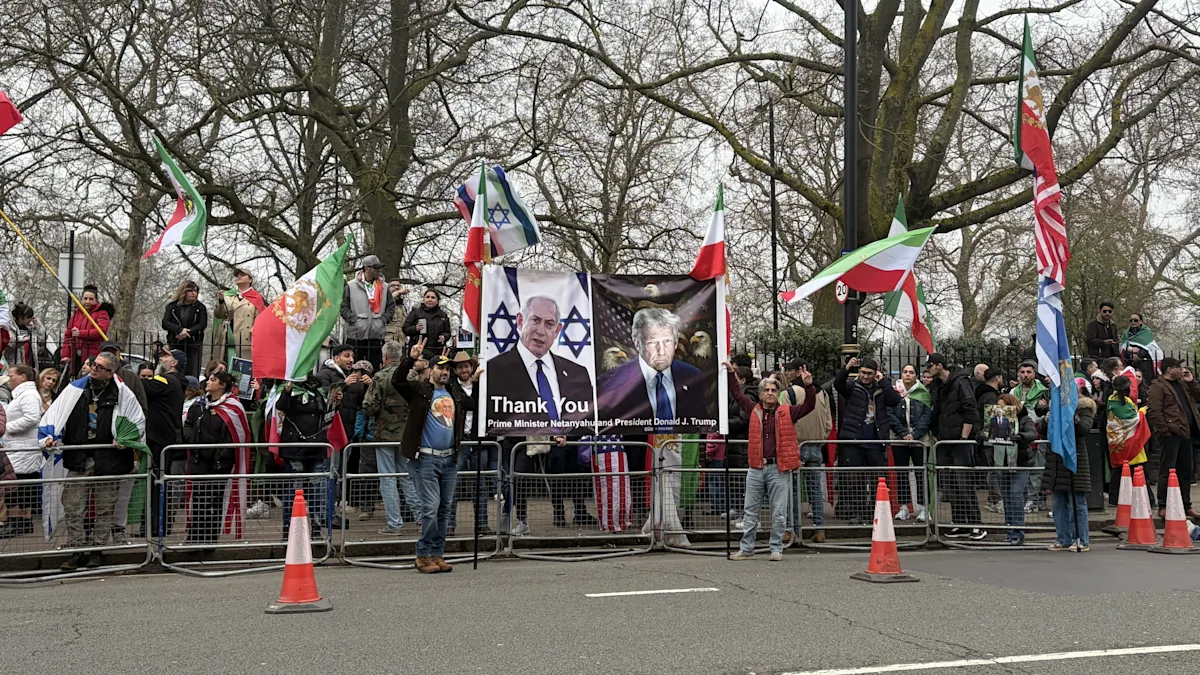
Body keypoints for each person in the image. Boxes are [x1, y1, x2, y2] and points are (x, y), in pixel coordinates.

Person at [43, 351, 145, 570]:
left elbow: (136, 421)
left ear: (111, 372)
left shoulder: (122, 394)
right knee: (72, 505)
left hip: (109, 460)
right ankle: (77, 549)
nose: (93, 369)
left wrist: (125, 439)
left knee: (104, 508)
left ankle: (96, 551)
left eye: (99, 367)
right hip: (80, 457)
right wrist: (50, 436)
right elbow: (58, 414)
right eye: (93, 364)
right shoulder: (75, 390)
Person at [390, 337, 480, 574]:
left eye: (447, 368)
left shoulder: (454, 393)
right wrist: (410, 359)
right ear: (431, 370)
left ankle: (437, 554)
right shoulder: (419, 390)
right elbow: (397, 380)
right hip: (426, 459)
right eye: (440, 368)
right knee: (431, 507)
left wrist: (477, 381)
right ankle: (423, 555)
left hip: (449, 458)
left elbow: (474, 403)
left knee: (444, 509)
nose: (444, 372)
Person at [724, 360, 816, 561]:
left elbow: (809, 406)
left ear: (778, 393)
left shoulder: (788, 412)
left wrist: (809, 386)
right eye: (766, 390)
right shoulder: (753, 409)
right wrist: (731, 373)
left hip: (778, 468)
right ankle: (746, 548)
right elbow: (737, 394)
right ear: (760, 394)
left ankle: (776, 548)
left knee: (779, 512)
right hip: (756, 467)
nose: (770, 393)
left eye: (774, 390)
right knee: (750, 511)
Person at [484, 295, 594, 428]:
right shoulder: (492, 371)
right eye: (535, 320)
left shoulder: (578, 373)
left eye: (549, 324)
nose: (541, 331)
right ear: (520, 321)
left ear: (557, 330)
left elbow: (587, 425)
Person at [595, 307, 707, 426]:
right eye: (652, 343)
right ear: (637, 344)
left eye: (667, 341)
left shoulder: (693, 376)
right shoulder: (610, 384)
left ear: (675, 343)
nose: (661, 351)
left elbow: (702, 424)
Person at [363, 340, 423, 535]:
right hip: (407, 434)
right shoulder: (412, 375)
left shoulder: (380, 377)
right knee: (407, 478)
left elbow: (369, 407)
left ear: (385, 357)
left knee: (388, 480)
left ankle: (394, 524)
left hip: (385, 435)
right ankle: (421, 519)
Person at [182, 371, 249, 544]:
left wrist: (221, 455)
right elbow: (188, 424)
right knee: (198, 500)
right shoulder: (199, 405)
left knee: (213, 501)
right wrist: (191, 440)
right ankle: (194, 538)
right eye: (209, 379)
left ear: (222, 385)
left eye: (213, 380)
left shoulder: (233, 407)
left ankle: (210, 540)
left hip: (218, 463)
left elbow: (236, 435)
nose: (208, 382)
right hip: (198, 460)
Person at [832, 357, 901, 524]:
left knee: (877, 479)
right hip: (854, 440)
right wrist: (847, 368)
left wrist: (883, 382)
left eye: (869, 373)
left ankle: (874, 513)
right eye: (863, 372)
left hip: (875, 441)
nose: (865, 376)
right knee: (855, 481)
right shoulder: (852, 387)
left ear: (875, 374)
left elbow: (895, 400)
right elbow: (838, 384)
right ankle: (857, 512)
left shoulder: (881, 390)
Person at [925, 353, 985, 540]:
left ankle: (976, 524)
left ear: (939, 366)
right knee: (951, 485)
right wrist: (936, 433)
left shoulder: (962, 382)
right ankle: (959, 522)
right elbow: (936, 411)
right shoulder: (938, 386)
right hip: (944, 441)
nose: (927, 370)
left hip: (960, 442)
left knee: (964, 483)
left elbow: (970, 409)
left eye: (930, 366)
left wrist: (964, 437)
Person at [274, 377, 334, 538]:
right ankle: (289, 529)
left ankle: (316, 528)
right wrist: (288, 389)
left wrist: (335, 401)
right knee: (294, 489)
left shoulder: (317, 390)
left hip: (316, 447)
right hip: (295, 448)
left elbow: (327, 415)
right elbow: (280, 406)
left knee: (317, 490)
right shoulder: (288, 388)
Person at [1041, 384, 1095, 551]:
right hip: (1056, 460)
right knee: (1059, 504)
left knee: (1077, 503)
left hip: (1074, 459)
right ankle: (1063, 538)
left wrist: (1071, 416)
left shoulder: (1084, 408)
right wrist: (1046, 420)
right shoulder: (1054, 407)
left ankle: (1081, 539)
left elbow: (1084, 428)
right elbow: (1043, 430)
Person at [1147, 357, 1200, 518]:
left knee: (1186, 471)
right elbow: (1154, 411)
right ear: (1170, 369)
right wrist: (1165, 431)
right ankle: (1163, 505)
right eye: (1178, 367)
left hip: (1186, 433)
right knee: (1167, 470)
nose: (1182, 370)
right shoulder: (1158, 386)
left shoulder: (1182, 384)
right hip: (1171, 434)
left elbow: (1198, 397)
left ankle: (1186, 504)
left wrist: (1191, 382)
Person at [142, 349, 187, 536]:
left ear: (174, 363)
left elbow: (142, 386)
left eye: (166, 356)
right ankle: (154, 525)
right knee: (158, 482)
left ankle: (155, 526)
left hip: (160, 439)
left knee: (157, 483)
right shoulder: (174, 381)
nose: (162, 358)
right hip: (163, 437)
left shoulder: (166, 380)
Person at [985, 393, 1036, 545]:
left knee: (1015, 494)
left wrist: (1021, 437)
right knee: (1007, 497)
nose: (1000, 408)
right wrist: (982, 436)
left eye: (1004, 405)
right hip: (1001, 462)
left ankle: (1018, 531)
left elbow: (1032, 433)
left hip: (1020, 463)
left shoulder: (1024, 419)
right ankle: (1010, 530)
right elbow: (986, 431)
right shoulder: (994, 419)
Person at [1, 365, 43, 537]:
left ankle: (21, 521)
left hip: (24, 449)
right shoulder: (22, 395)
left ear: (23, 377)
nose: (9, 379)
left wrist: (7, 428)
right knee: (17, 485)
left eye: (11, 375)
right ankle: (18, 521)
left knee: (20, 485)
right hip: (17, 448)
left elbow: (32, 418)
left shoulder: (29, 395)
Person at [888, 364, 932, 522]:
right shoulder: (894, 393)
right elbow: (889, 414)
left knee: (921, 473)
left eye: (911, 372)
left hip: (920, 440)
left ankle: (924, 508)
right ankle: (904, 507)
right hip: (899, 439)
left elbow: (927, 415)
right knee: (901, 473)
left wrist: (914, 434)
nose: (908, 374)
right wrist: (903, 433)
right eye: (905, 372)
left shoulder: (923, 393)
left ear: (916, 376)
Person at [1106, 374, 1153, 508]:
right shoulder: (1125, 402)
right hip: (1130, 441)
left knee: (1118, 470)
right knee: (1139, 470)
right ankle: (1148, 499)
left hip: (1116, 440)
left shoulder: (1111, 399)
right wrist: (1142, 411)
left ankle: (1114, 498)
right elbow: (1133, 419)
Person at [341, 254, 395, 369]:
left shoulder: (385, 287)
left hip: (376, 335)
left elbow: (391, 307)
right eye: (376, 268)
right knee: (354, 368)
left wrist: (383, 320)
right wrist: (355, 320)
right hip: (356, 335)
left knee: (374, 369)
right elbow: (343, 307)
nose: (379, 271)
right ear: (367, 268)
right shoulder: (351, 286)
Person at [213, 268, 265, 361]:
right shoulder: (227, 295)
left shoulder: (256, 297)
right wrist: (221, 301)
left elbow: (261, 318)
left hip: (246, 337)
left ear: (250, 280)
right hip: (227, 334)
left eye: (242, 275)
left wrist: (255, 329)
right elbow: (219, 315)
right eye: (237, 275)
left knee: (242, 364)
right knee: (225, 361)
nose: (239, 277)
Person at [162, 280, 208, 379]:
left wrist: (187, 332)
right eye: (190, 291)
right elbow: (165, 323)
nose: (194, 293)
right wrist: (179, 330)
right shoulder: (172, 307)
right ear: (183, 291)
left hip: (193, 344)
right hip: (175, 343)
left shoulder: (200, 307)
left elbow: (202, 324)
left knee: (192, 372)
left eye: (195, 291)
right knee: (175, 371)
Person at [61, 285, 111, 375]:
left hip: (92, 356)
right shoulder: (77, 314)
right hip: (75, 356)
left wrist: (80, 333)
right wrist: (66, 355)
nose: (87, 301)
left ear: (96, 301)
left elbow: (100, 331)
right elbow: (68, 336)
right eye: (85, 298)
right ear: (81, 300)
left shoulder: (102, 313)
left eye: (91, 299)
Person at [402, 289, 453, 359]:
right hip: (419, 351)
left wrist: (444, 337)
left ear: (437, 301)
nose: (430, 300)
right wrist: (415, 328)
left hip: (437, 351)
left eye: (433, 297)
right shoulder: (416, 312)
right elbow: (405, 329)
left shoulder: (443, 315)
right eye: (427, 297)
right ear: (424, 299)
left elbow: (448, 333)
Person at [99, 341, 148, 413]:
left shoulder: (131, 377)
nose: (110, 358)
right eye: (106, 354)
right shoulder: (94, 375)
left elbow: (142, 405)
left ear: (119, 355)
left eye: (113, 354)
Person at [3, 302, 51, 372]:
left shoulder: (31, 327)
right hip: (14, 365)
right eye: (28, 317)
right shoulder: (9, 327)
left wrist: (38, 323)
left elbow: (42, 340)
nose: (30, 319)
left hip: (30, 365)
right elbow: (10, 343)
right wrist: (23, 339)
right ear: (21, 317)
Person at [1121, 313, 1158, 383]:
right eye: (1131, 320)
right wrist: (1131, 353)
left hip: (1144, 363)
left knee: (1144, 383)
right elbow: (1123, 347)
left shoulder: (1147, 332)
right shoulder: (1126, 333)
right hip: (1130, 363)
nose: (1133, 322)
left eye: (1135, 320)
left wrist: (1138, 355)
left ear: (1140, 321)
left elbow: (1150, 348)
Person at [384, 280, 411, 344]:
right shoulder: (384, 303)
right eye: (393, 286)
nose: (396, 287)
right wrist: (398, 292)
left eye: (398, 286)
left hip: (401, 342)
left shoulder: (403, 307)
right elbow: (388, 300)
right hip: (388, 343)